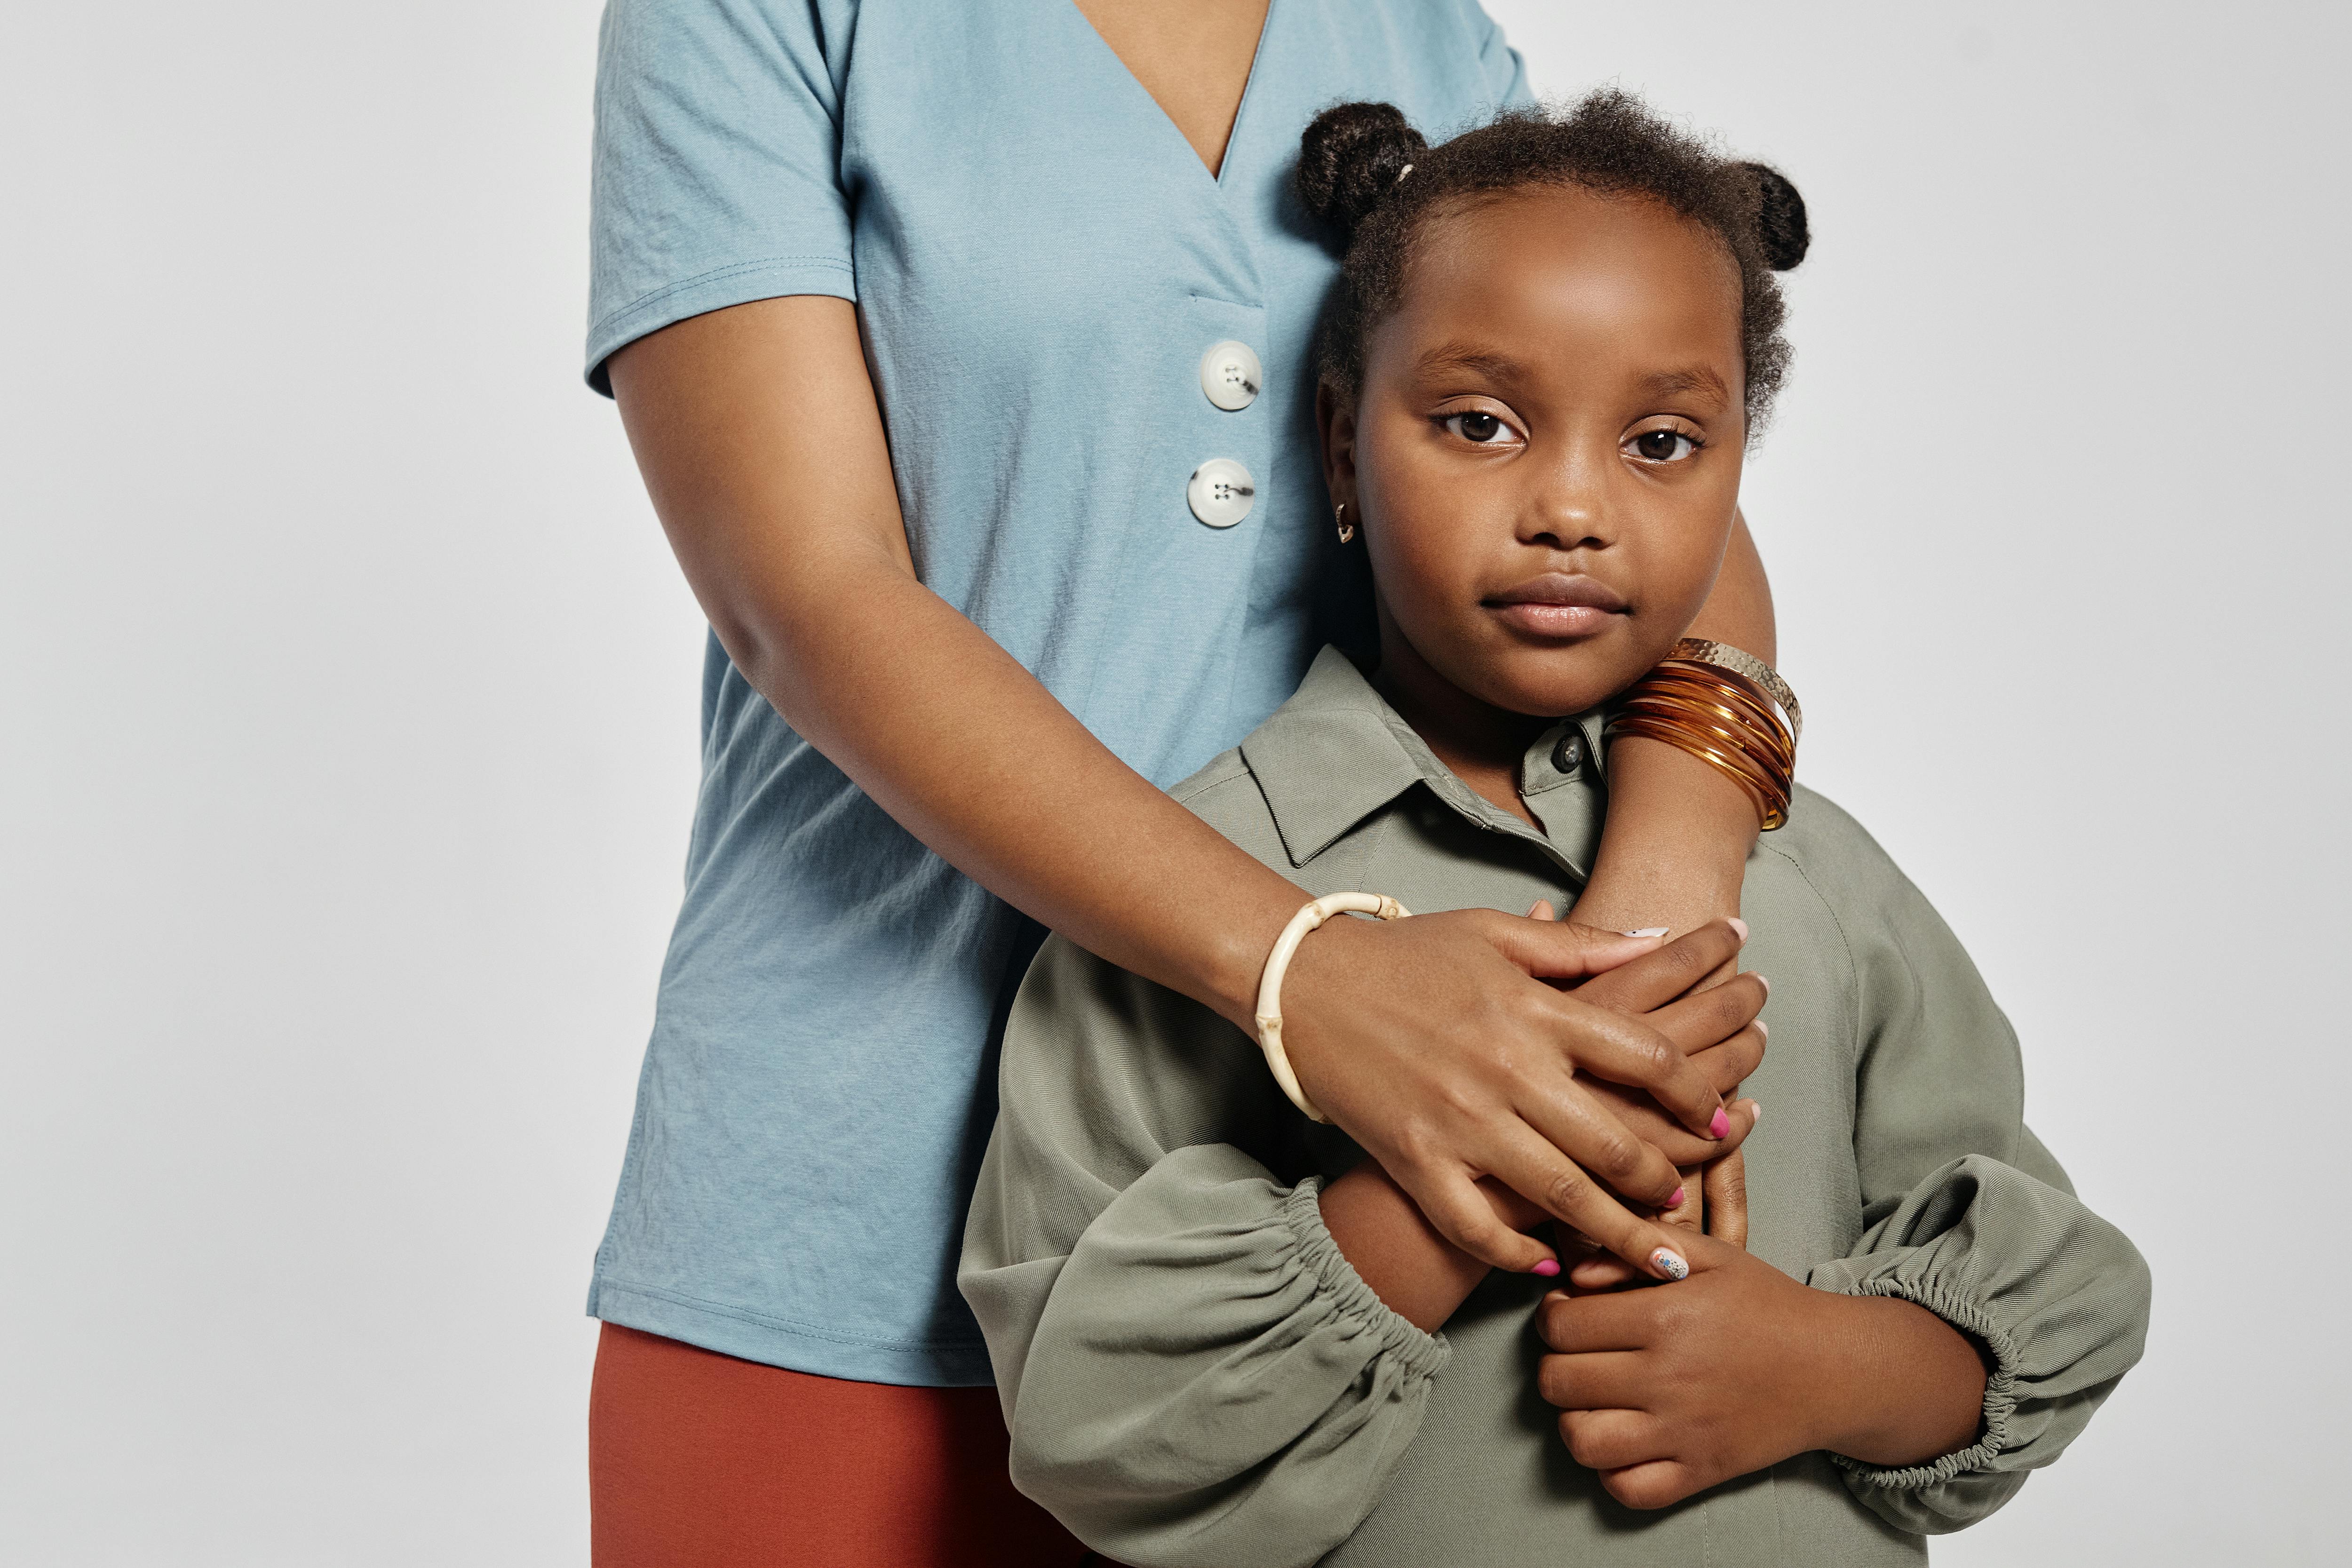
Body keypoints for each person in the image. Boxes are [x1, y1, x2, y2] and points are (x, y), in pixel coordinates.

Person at [584, 2, 1778, 1561]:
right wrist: (1308, 973)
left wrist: (1644, 956)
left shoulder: (1429, 44)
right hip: (852, 1185)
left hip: (1365, 1198)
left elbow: (1656, 479)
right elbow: (805, 593)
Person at [960, 93, 2152, 1566]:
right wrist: (1476, 1181)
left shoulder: (1816, 876)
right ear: (1341, 448)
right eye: (1480, 423)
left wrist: (1822, 1368)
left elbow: (2055, 1303)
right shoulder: (1183, 893)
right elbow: (1101, 1441)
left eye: (1660, 442)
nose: (1574, 507)